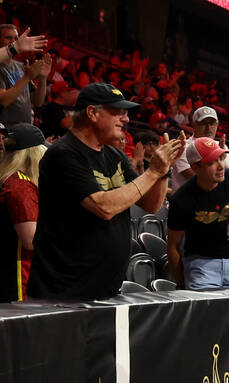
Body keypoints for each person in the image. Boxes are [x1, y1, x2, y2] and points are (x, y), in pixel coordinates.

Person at [29, 83, 184, 300]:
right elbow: (104, 206)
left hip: (105, 288)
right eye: (117, 112)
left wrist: (163, 171)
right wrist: (153, 172)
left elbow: (151, 204)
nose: (126, 119)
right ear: (92, 113)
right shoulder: (63, 154)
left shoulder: (114, 154)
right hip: (64, 291)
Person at [165, 136, 229, 289]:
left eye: (221, 158)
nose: (221, 166)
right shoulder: (182, 198)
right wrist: (181, 284)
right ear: (195, 167)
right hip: (201, 266)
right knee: (206, 313)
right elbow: (173, 246)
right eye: (212, 162)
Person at [0, 123, 46, 303]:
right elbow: (31, 241)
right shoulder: (20, 186)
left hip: (0, 277)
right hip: (16, 282)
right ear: (33, 154)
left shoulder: (6, 179)